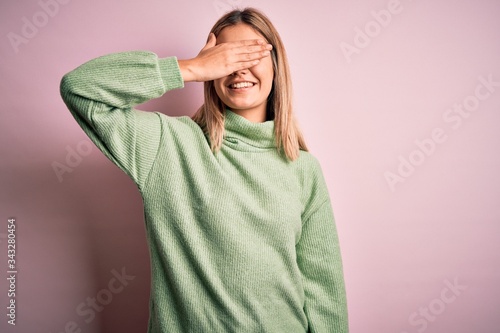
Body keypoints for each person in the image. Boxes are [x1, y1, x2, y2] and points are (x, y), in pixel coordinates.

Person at [60, 7, 348, 333]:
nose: (238, 68)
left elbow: (324, 292)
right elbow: (79, 88)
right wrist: (190, 68)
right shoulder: (168, 145)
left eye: (250, 53)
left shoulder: (303, 168)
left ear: (276, 68)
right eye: (227, 56)